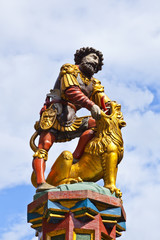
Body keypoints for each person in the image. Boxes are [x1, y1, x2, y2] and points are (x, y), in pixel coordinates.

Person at [32, 47, 111, 192]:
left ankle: (76, 157)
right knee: (44, 147)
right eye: (92, 57)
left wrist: (110, 107)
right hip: (55, 114)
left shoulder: (94, 83)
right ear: (82, 57)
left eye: (97, 62)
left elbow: (102, 99)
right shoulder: (69, 70)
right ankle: (40, 182)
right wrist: (91, 105)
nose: (95, 62)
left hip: (72, 118)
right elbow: (71, 91)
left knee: (97, 124)